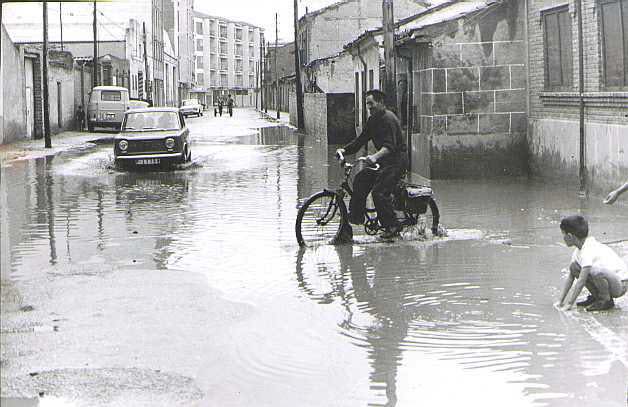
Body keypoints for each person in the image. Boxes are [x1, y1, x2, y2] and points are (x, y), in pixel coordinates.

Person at [336, 89, 408, 241]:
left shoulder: (389, 119)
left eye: (372, 104)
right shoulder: (372, 120)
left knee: (379, 192)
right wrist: (344, 150)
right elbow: (360, 140)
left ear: (381, 103)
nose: (369, 107)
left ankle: (392, 226)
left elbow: (389, 146)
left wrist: (375, 157)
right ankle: (356, 217)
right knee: (361, 178)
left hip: (396, 162)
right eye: (367, 104)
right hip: (384, 162)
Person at [556, 215, 628, 311]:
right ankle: (597, 297)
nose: (563, 238)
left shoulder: (588, 250)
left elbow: (581, 281)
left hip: (621, 284)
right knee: (574, 268)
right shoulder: (578, 251)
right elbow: (571, 277)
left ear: (569, 236)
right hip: (609, 280)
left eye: (563, 234)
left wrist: (569, 304)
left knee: (595, 271)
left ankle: (605, 300)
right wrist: (560, 301)